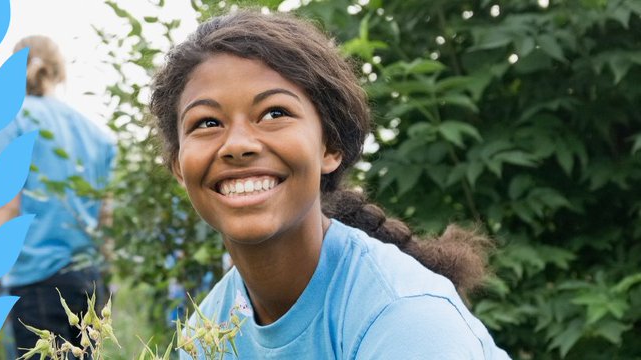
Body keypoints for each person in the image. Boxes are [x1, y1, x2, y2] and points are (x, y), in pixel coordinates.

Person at [148, 12, 510, 358]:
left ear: (331, 146)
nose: (239, 144)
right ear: (178, 165)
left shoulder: (405, 319)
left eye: (275, 113)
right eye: (207, 123)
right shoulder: (207, 332)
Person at [0, 35, 117, 359]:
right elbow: (105, 219)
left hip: (37, 285)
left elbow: (7, 207)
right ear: (59, 71)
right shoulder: (97, 136)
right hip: (89, 281)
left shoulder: (11, 120)